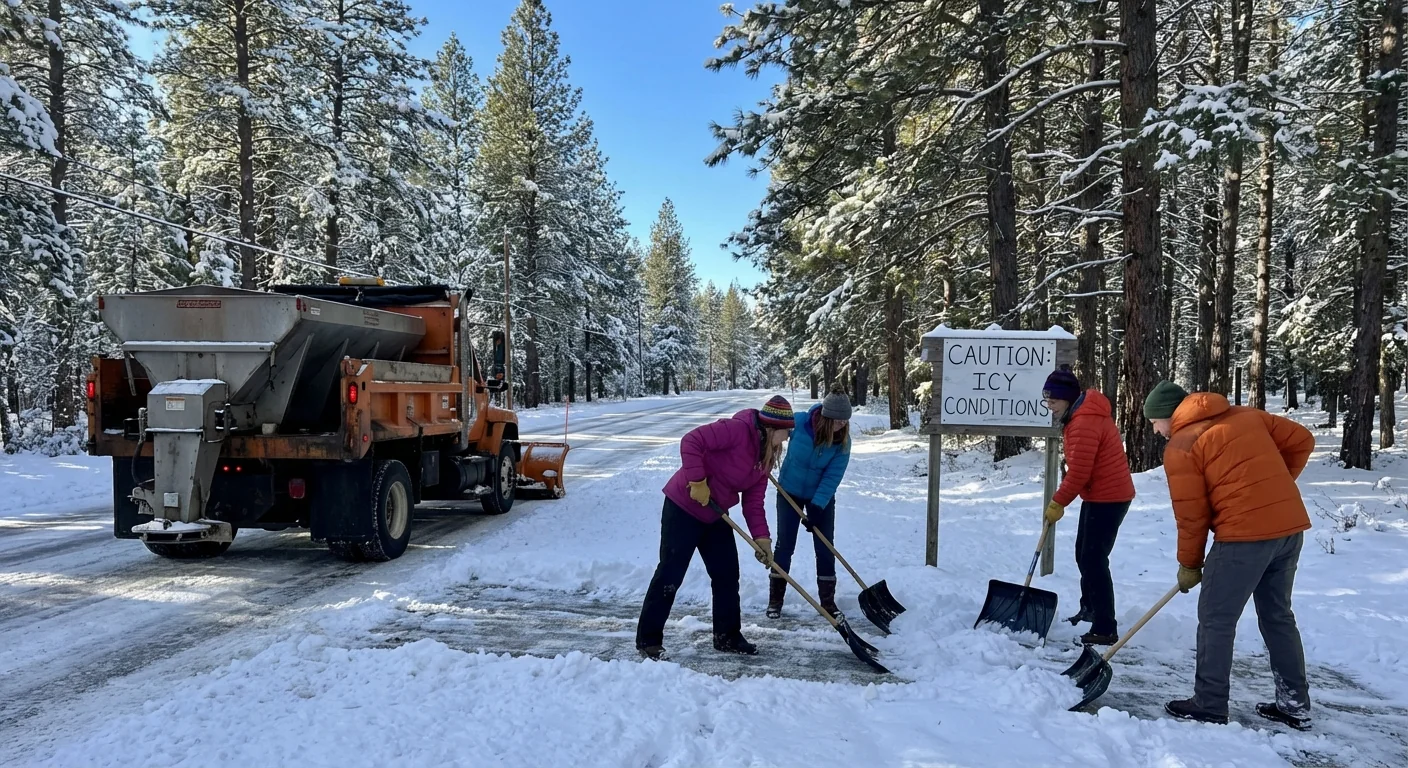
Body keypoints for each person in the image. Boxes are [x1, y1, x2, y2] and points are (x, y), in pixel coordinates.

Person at [1144, 380, 1315, 730]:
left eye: (1154, 422)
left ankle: (1209, 703)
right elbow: (1302, 440)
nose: (1155, 430)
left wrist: (1189, 564)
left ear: (1168, 415)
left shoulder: (1182, 445)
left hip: (1243, 537)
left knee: (1216, 618)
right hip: (1288, 530)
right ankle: (1294, 702)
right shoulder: (1246, 416)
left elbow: (1191, 516)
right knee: (1277, 616)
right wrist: (1273, 489)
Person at [635, 395, 796, 661]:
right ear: (771, 428)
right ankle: (648, 640)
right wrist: (697, 481)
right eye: (786, 432)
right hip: (683, 506)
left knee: (727, 574)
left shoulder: (765, 458)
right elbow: (691, 440)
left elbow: (753, 503)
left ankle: (727, 636)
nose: (788, 437)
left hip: (714, 513)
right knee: (670, 574)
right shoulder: (737, 430)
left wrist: (762, 538)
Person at [1040, 369, 1136, 646]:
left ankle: (1105, 627)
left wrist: (1058, 502)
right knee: (1084, 554)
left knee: (1093, 560)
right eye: (1047, 400)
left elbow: (1080, 473)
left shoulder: (1084, 422)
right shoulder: (1079, 416)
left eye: (1053, 400)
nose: (1050, 405)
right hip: (1098, 495)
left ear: (1068, 398)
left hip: (1109, 497)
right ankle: (1090, 608)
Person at [767, 385, 852, 619]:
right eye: (838, 420)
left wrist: (817, 505)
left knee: (825, 547)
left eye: (845, 420)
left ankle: (828, 603)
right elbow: (774, 435)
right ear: (826, 416)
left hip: (820, 497)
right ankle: (775, 600)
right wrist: (766, 453)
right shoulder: (800, 422)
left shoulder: (843, 442)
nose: (842, 424)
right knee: (785, 545)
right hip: (789, 491)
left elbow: (833, 476)